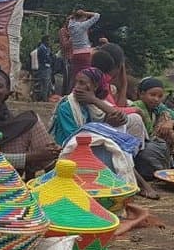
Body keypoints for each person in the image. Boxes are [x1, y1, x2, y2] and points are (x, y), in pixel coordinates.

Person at [49, 67, 155, 198]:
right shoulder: (67, 106)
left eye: (82, 83)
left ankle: (130, 178)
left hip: (91, 145)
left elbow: (118, 115)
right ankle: (140, 182)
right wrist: (103, 128)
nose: (77, 87)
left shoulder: (93, 104)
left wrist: (94, 101)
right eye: (76, 82)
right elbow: (74, 137)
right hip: (71, 149)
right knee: (107, 136)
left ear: (95, 86)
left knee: (118, 128)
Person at [132, 77, 174, 177]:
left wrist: (171, 123)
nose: (156, 99)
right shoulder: (136, 106)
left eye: (160, 96)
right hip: (142, 142)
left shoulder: (159, 107)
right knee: (166, 117)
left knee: (166, 116)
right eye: (152, 95)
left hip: (153, 139)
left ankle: (173, 154)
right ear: (141, 94)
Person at [66, 7, 100, 80]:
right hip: (85, 54)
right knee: (86, 76)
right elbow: (97, 15)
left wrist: (75, 14)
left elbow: (71, 18)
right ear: (82, 17)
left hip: (75, 54)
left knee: (76, 76)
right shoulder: (83, 26)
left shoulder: (70, 25)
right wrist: (84, 12)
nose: (86, 19)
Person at [30, 35, 53, 101]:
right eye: (48, 40)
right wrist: (49, 59)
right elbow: (45, 59)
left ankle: (45, 98)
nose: (49, 42)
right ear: (45, 41)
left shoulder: (46, 48)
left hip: (47, 68)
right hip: (43, 68)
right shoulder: (42, 48)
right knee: (44, 84)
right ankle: (44, 99)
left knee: (47, 84)